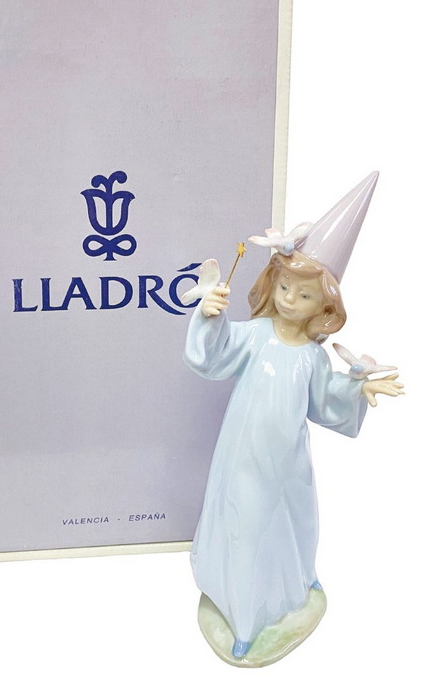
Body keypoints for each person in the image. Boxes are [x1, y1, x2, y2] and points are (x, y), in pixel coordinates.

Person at [184, 173, 403, 665]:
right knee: (244, 526)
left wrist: (359, 386)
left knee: (292, 524)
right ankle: (243, 619)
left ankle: (292, 588)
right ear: (272, 282)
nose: (288, 299)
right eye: (284, 286)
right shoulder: (254, 336)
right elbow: (212, 357)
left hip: (287, 464)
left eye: (304, 296)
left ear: (324, 308)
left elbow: (325, 400)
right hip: (243, 460)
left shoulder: (311, 356)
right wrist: (210, 316)